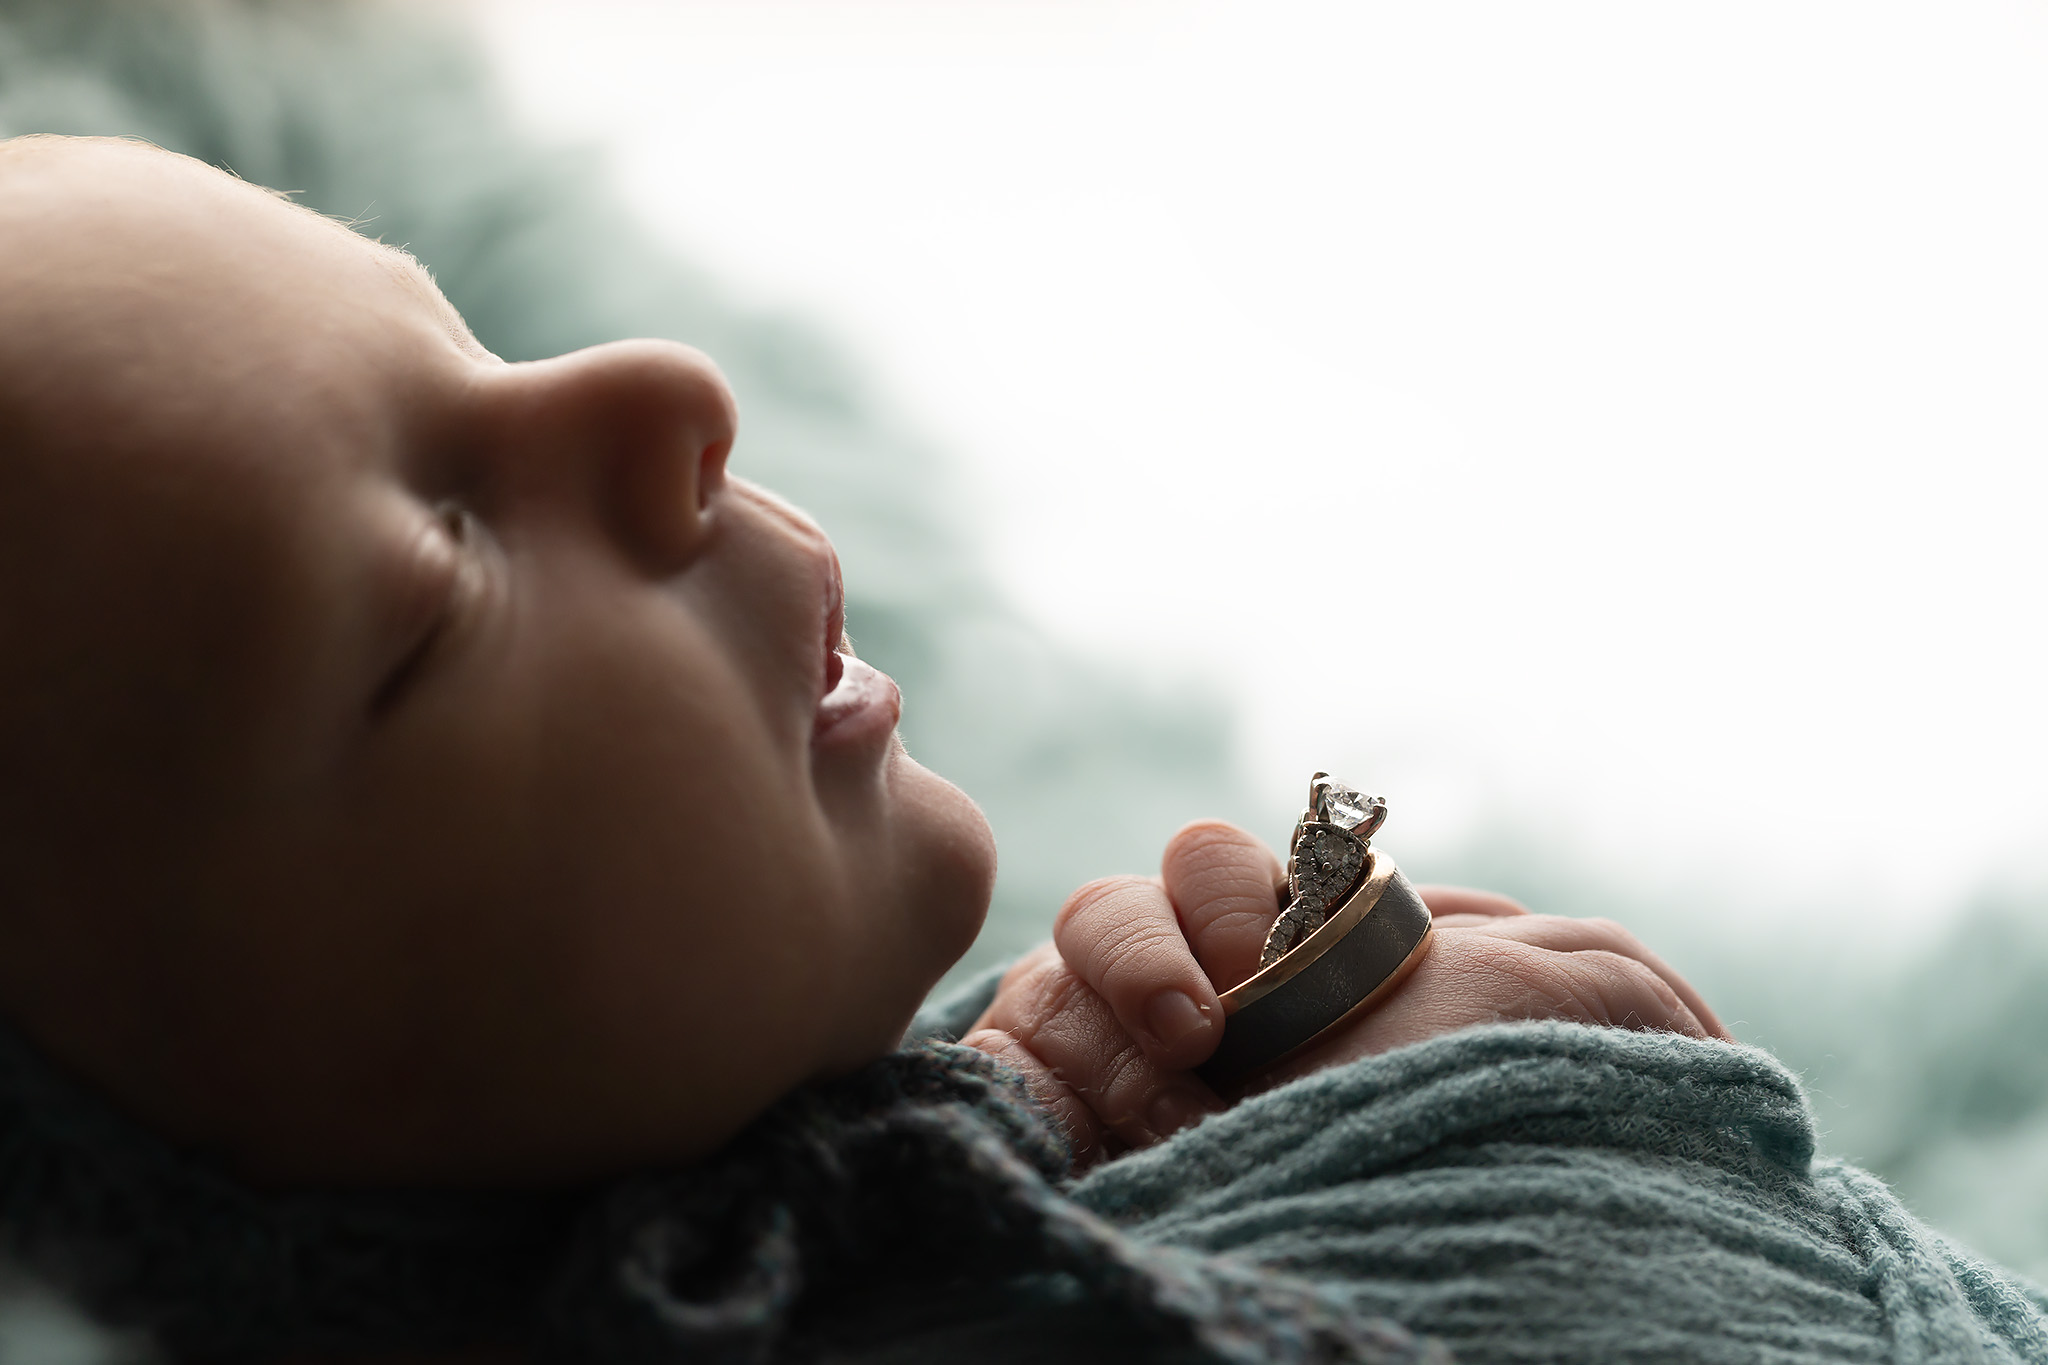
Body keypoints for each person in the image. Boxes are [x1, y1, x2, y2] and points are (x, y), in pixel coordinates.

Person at [0, 134, 2041, 1365]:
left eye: (465, 336)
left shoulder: (874, 1203)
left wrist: (1128, 1132)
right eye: (438, 583)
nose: (663, 389)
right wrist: (1552, 1162)